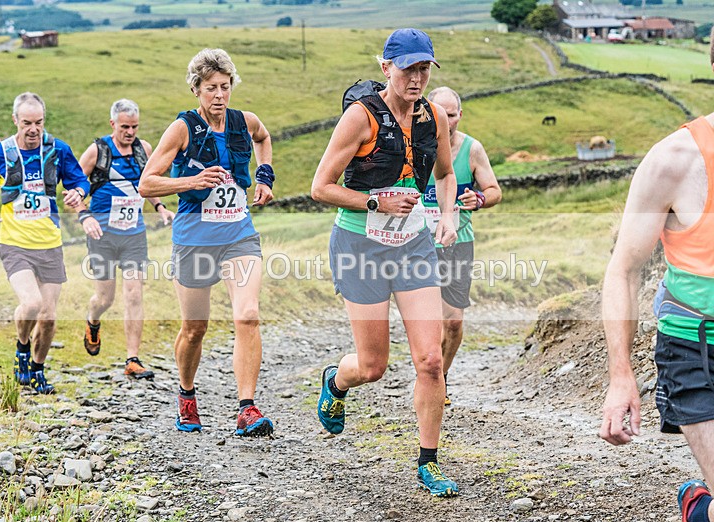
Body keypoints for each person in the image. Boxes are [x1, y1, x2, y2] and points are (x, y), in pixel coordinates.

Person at [310, 28, 460, 496]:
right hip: (360, 245)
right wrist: (374, 204)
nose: (416, 78)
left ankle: (428, 462)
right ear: (385, 69)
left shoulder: (432, 115)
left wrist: (448, 214)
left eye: (423, 69)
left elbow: (448, 174)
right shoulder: (360, 118)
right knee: (373, 366)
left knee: (431, 359)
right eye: (407, 68)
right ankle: (336, 381)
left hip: (412, 245)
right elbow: (320, 187)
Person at [599, 28, 714, 522]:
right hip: (696, 350)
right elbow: (623, 270)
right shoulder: (674, 161)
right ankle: (698, 506)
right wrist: (621, 376)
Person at [139, 48, 276, 436]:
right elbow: (147, 182)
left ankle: (246, 408)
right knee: (195, 327)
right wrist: (191, 182)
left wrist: (264, 177)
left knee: (247, 315)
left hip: (238, 235)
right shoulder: (182, 128)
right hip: (194, 237)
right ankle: (186, 394)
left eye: (225, 86)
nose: (219, 95)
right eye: (211, 88)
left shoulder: (245, 122)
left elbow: (264, 139)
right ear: (196, 89)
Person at [0, 92, 89, 395]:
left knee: (49, 317)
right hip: (14, 243)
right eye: (26, 122)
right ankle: (21, 348)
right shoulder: (0, 152)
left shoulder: (58, 149)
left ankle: (38, 369)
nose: (33, 129)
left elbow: (80, 180)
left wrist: (78, 193)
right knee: (32, 304)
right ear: (15, 120)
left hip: (49, 243)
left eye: (38, 122)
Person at [75, 98, 174, 379]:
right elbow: (74, 187)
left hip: (134, 234)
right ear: (112, 124)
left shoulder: (144, 150)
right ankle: (93, 321)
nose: (129, 132)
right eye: (124, 127)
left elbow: (147, 184)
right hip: (102, 234)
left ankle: (132, 360)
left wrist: (160, 207)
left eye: (134, 127)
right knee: (104, 298)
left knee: (134, 293)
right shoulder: (97, 151)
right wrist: (85, 216)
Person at [423, 86, 502, 406]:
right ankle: (429, 377)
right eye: (439, 113)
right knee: (428, 319)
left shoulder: (472, 149)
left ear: (460, 115)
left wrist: (480, 199)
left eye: (451, 114)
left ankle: (440, 378)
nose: (446, 120)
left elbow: (495, 190)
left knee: (453, 322)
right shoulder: (414, 145)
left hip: (458, 242)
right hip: (417, 242)